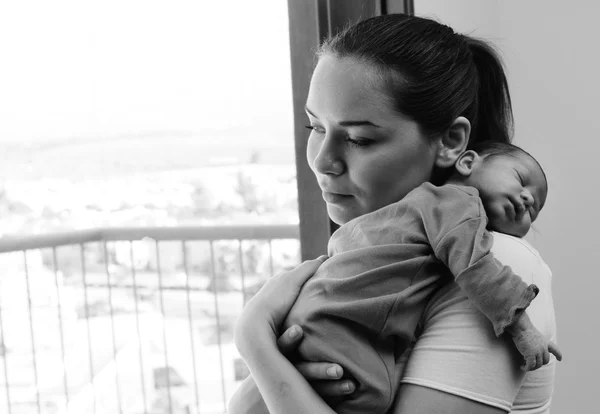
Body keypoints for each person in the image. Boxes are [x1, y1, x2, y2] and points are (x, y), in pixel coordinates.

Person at [230, 13, 559, 414]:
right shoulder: (382, 255)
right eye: (315, 128)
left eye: (359, 138)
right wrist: (264, 384)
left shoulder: (496, 266)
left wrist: (256, 344)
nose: (323, 162)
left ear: (452, 142)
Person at [279, 141, 559, 414]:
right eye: (520, 179)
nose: (528, 199)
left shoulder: (409, 208)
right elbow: (477, 268)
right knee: (372, 398)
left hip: (315, 316)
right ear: (467, 162)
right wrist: (523, 329)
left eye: (534, 211)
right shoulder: (458, 203)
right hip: (337, 325)